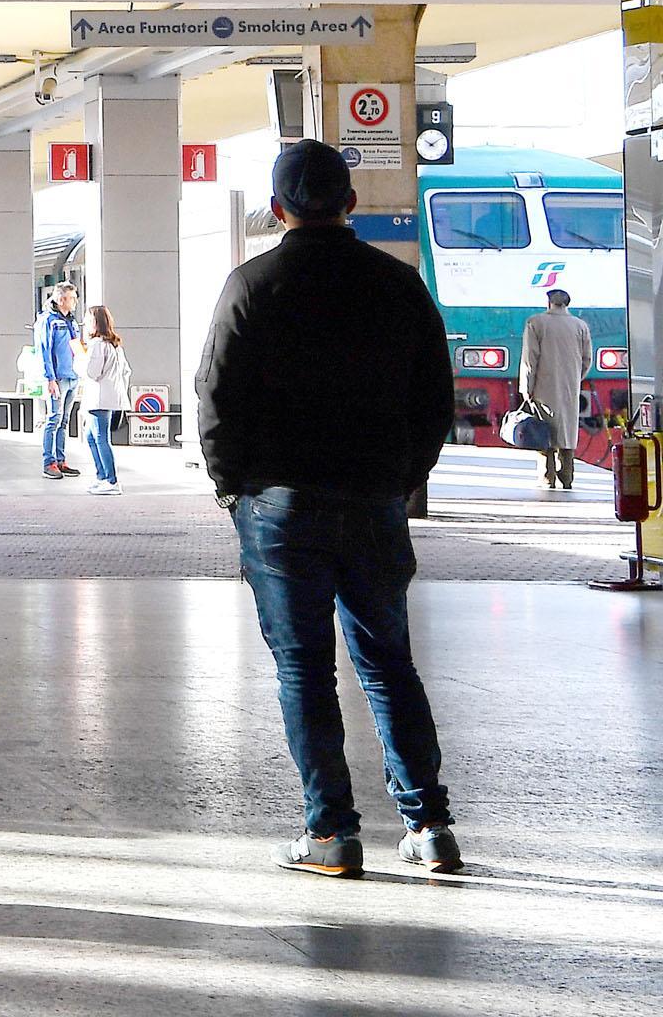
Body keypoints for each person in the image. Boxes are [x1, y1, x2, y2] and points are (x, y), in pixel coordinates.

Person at [196, 139, 461, 878]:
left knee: (306, 672)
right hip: (374, 499)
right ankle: (430, 826)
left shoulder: (252, 284)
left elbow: (215, 399)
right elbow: (435, 401)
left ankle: (331, 835)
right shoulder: (398, 285)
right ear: (350, 205)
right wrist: (401, 478)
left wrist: (233, 489)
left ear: (279, 209)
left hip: (281, 507)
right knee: (387, 664)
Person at [520, 286, 593, 491]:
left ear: (548, 303)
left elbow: (529, 359)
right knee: (567, 429)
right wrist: (575, 377)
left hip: (543, 385)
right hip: (570, 384)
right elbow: (587, 359)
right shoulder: (580, 326)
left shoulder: (536, 323)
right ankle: (567, 476)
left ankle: (547, 476)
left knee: (544, 429)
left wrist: (527, 387)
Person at [77, 304, 130, 495]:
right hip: (109, 397)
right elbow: (126, 371)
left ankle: (111, 479)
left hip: (99, 398)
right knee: (92, 436)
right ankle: (101, 476)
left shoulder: (98, 346)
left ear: (95, 323)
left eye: (88, 320)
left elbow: (92, 372)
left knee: (100, 438)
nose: (85, 324)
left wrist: (79, 358)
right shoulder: (114, 345)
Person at [35, 283, 81, 479]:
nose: (75, 301)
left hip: (72, 376)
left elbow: (77, 347)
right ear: (62, 299)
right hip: (58, 378)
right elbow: (45, 350)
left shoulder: (72, 321)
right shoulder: (48, 321)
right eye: (72, 298)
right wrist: (50, 378)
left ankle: (61, 460)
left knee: (64, 420)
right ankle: (49, 461)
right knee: (53, 419)